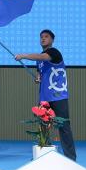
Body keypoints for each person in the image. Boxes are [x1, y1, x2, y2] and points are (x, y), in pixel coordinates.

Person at [15, 29, 76, 161]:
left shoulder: (53, 52)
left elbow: (43, 57)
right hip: (44, 98)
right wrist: (38, 78)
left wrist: (23, 56)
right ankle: (44, 155)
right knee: (43, 126)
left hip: (58, 96)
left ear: (52, 40)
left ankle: (70, 158)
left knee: (64, 126)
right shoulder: (39, 60)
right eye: (41, 37)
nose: (43, 39)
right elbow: (40, 73)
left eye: (46, 37)